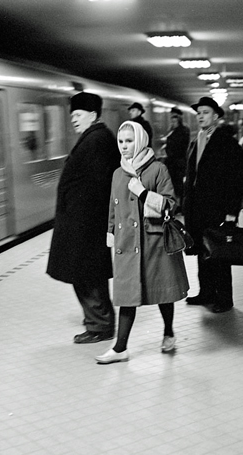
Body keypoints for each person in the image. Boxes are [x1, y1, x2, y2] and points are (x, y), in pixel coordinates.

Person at [95, 121, 189, 364]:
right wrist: (110, 232)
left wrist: (143, 192)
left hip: (154, 241)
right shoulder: (118, 173)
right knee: (128, 295)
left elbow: (171, 204)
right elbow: (112, 208)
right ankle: (120, 348)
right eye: (121, 142)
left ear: (140, 141)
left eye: (129, 141)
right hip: (127, 243)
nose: (124, 146)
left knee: (162, 293)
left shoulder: (157, 169)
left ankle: (168, 332)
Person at [46, 92, 119, 344]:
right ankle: (98, 321)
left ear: (92, 115)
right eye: (72, 116)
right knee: (87, 274)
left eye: (77, 115)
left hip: (86, 224)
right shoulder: (95, 137)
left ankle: (100, 325)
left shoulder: (96, 140)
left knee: (87, 276)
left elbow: (97, 186)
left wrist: (82, 221)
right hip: (84, 222)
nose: (73, 120)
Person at [183, 97, 243, 313]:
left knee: (220, 253)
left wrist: (231, 212)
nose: (200, 116)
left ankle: (224, 299)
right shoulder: (196, 139)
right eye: (198, 112)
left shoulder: (226, 142)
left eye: (205, 112)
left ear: (216, 116)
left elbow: (236, 179)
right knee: (202, 251)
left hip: (217, 209)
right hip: (197, 209)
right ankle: (206, 292)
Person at [161, 107, 190, 202]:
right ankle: (177, 202)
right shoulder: (173, 130)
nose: (172, 120)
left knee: (177, 184)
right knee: (174, 183)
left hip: (177, 162)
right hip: (173, 162)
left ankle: (179, 203)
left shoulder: (182, 131)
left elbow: (180, 146)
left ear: (178, 119)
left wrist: (168, 147)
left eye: (174, 118)